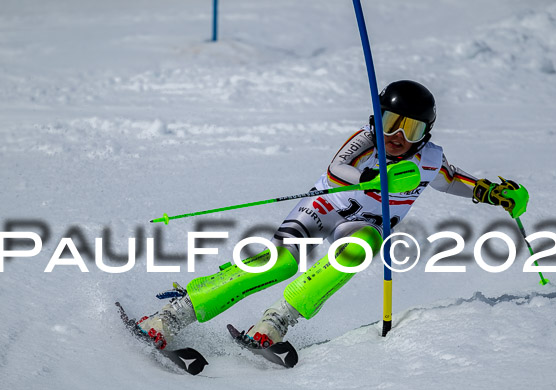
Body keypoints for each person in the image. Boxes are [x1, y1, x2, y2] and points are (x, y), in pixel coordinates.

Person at [136, 80, 529, 351]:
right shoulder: (365, 139)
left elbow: (455, 181)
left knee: (356, 252)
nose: (397, 136)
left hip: (367, 223)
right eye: (392, 123)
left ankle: (277, 319)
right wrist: (376, 176)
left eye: (411, 129)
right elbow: (339, 169)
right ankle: (176, 312)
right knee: (279, 263)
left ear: (426, 133)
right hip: (325, 206)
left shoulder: (430, 159)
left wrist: (493, 193)